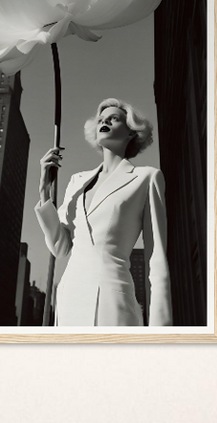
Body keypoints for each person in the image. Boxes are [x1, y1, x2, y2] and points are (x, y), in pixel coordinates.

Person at [36, 97, 172, 329]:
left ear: (131, 132)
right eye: (100, 119)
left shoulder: (147, 177)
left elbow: (156, 259)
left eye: (113, 119)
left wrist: (161, 330)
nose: (104, 122)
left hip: (113, 301)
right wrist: (44, 194)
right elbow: (60, 248)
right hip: (70, 299)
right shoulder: (77, 181)